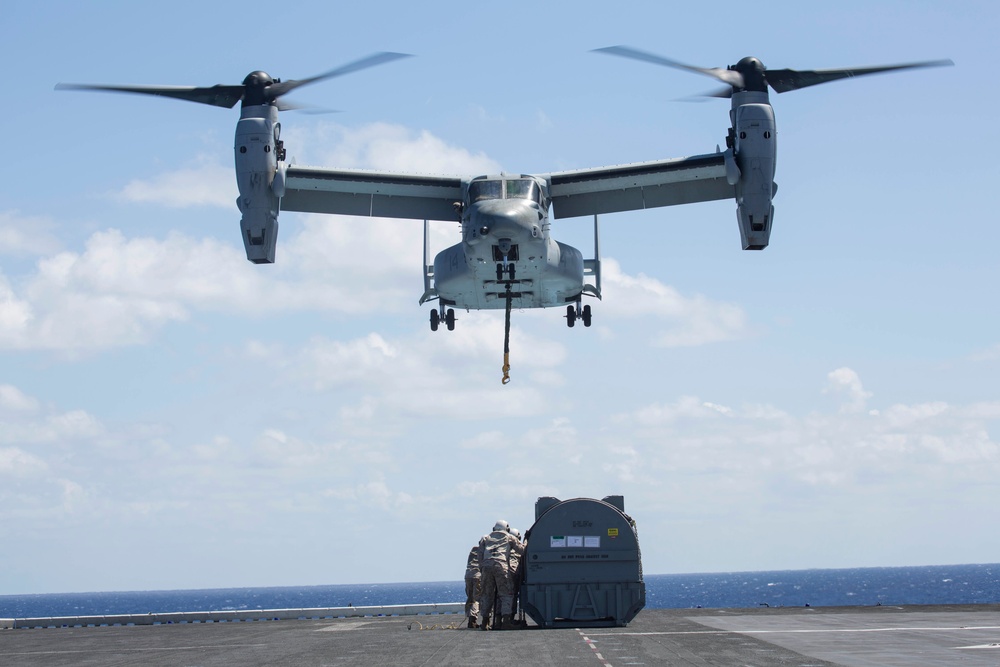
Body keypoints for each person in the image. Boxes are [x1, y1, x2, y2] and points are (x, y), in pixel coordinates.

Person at [478, 520, 519, 630]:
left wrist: (482, 567)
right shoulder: (509, 537)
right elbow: (522, 550)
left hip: (486, 566)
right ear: (507, 529)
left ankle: (484, 622)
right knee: (506, 593)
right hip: (500, 566)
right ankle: (506, 621)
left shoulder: (486, 538)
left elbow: (480, 554)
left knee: (487, 594)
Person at [463, 544, 481, 628]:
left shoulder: (473, 550)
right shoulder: (485, 550)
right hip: (478, 575)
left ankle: (469, 615)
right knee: (476, 599)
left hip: (468, 575)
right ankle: (472, 619)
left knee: (470, 598)